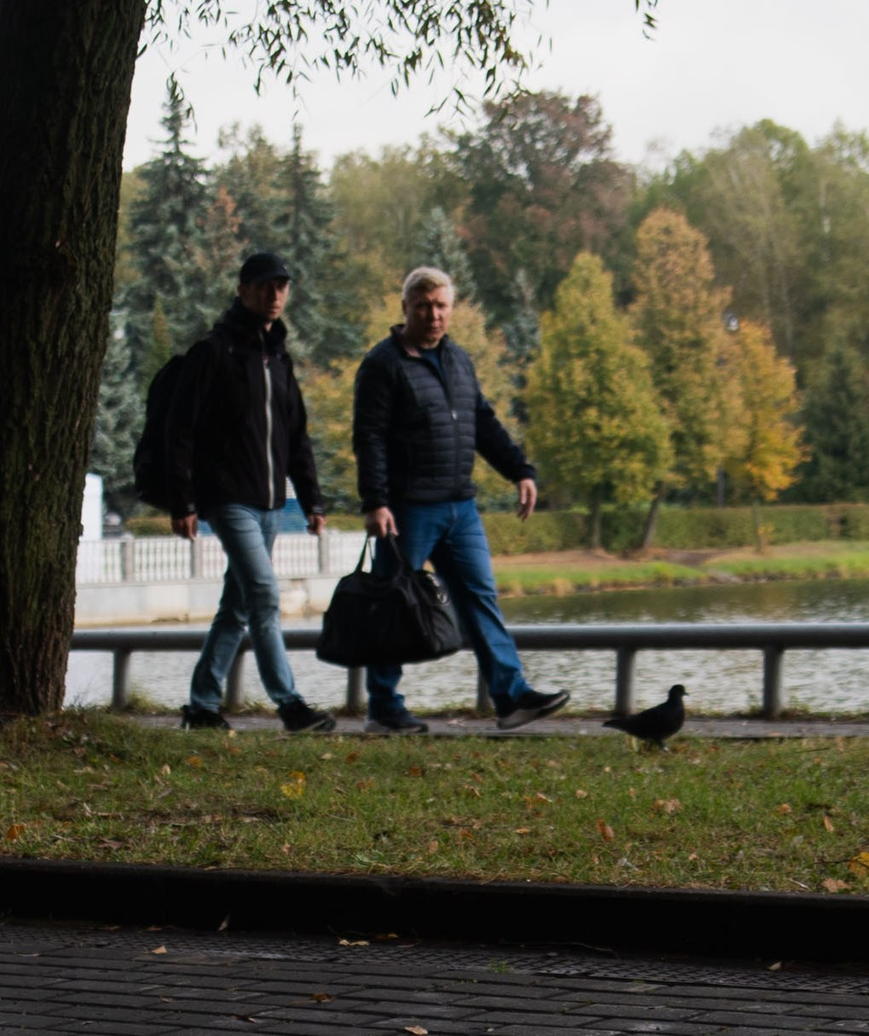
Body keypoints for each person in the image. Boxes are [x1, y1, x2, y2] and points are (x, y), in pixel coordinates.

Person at [352, 265, 568, 735]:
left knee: (479, 599)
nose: (433, 315)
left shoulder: (459, 361)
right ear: (405, 308)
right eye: (423, 306)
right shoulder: (382, 364)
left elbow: (483, 424)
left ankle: (511, 698)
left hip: (460, 508)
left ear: (452, 309)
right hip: (406, 509)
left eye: (441, 306)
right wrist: (375, 500)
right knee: (395, 605)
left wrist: (519, 471)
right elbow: (368, 438)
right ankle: (384, 707)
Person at [158, 252, 338, 733]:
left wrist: (312, 499)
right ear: (243, 291)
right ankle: (291, 704)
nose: (275, 294)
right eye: (265, 286)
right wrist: (183, 501)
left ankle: (201, 705)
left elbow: (296, 435)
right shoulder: (214, 352)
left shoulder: (279, 358)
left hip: (271, 504)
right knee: (263, 594)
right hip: (227, 499)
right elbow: (181, 431)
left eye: (282, 286)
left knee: (235, 607)